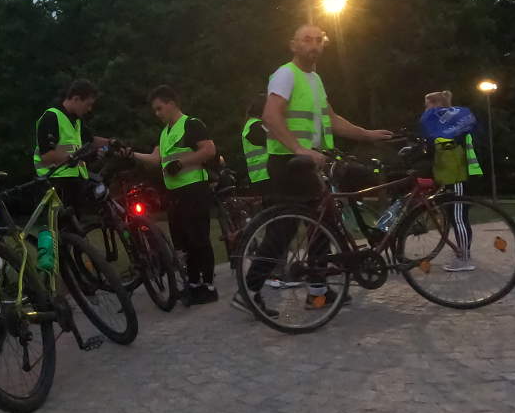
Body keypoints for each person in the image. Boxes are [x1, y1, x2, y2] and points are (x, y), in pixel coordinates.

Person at [231, 24, 393, 315]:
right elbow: (270, 116)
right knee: (285, 230)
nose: (314, 45)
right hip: (288, 163)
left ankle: (318, 291)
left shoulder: (315, 79)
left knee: (323, 224)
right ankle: (250, 290)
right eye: (307, 40)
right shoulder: (285, 75)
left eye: (319, 40)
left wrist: (367, 134)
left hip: (307, 163)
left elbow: (332, 119)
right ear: (293, 45)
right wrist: (299, 149)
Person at [133, 85, 219, 305]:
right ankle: (193, 284)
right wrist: (131, 154)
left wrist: (181, 163)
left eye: (159, 108)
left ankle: (208, 286)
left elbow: (209, 150)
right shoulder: (165, 133)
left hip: (194, 189)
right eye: (155, 110)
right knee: (183, 242)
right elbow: (156, 159)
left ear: (171, 104)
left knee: (199, 239)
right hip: (175, 194)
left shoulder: (191, 124)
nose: (157, 114)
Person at [32, 79, 116, 216]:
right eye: (88, 104)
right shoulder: (51, 117)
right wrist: (81, 157)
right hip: (55, 183)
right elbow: (47, 156)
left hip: (73, 182)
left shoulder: (76, 120)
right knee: (61, 227)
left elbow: (91, 140)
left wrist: (112, 143)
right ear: (76, 99)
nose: (89, 109)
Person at [423, 90, 483, 271]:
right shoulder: (444, 125)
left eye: (427, 104)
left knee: (459, 217)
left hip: (457, 176)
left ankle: (464, 258)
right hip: (449, 176)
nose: (426, 108)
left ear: (436, 104)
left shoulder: (450, 124)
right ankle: (462, 252)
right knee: (454, 216)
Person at [241, 94, 271, 196]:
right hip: (265, 176)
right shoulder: (255, 126)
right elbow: (275, 142)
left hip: (262, 176)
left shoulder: (254, 125)